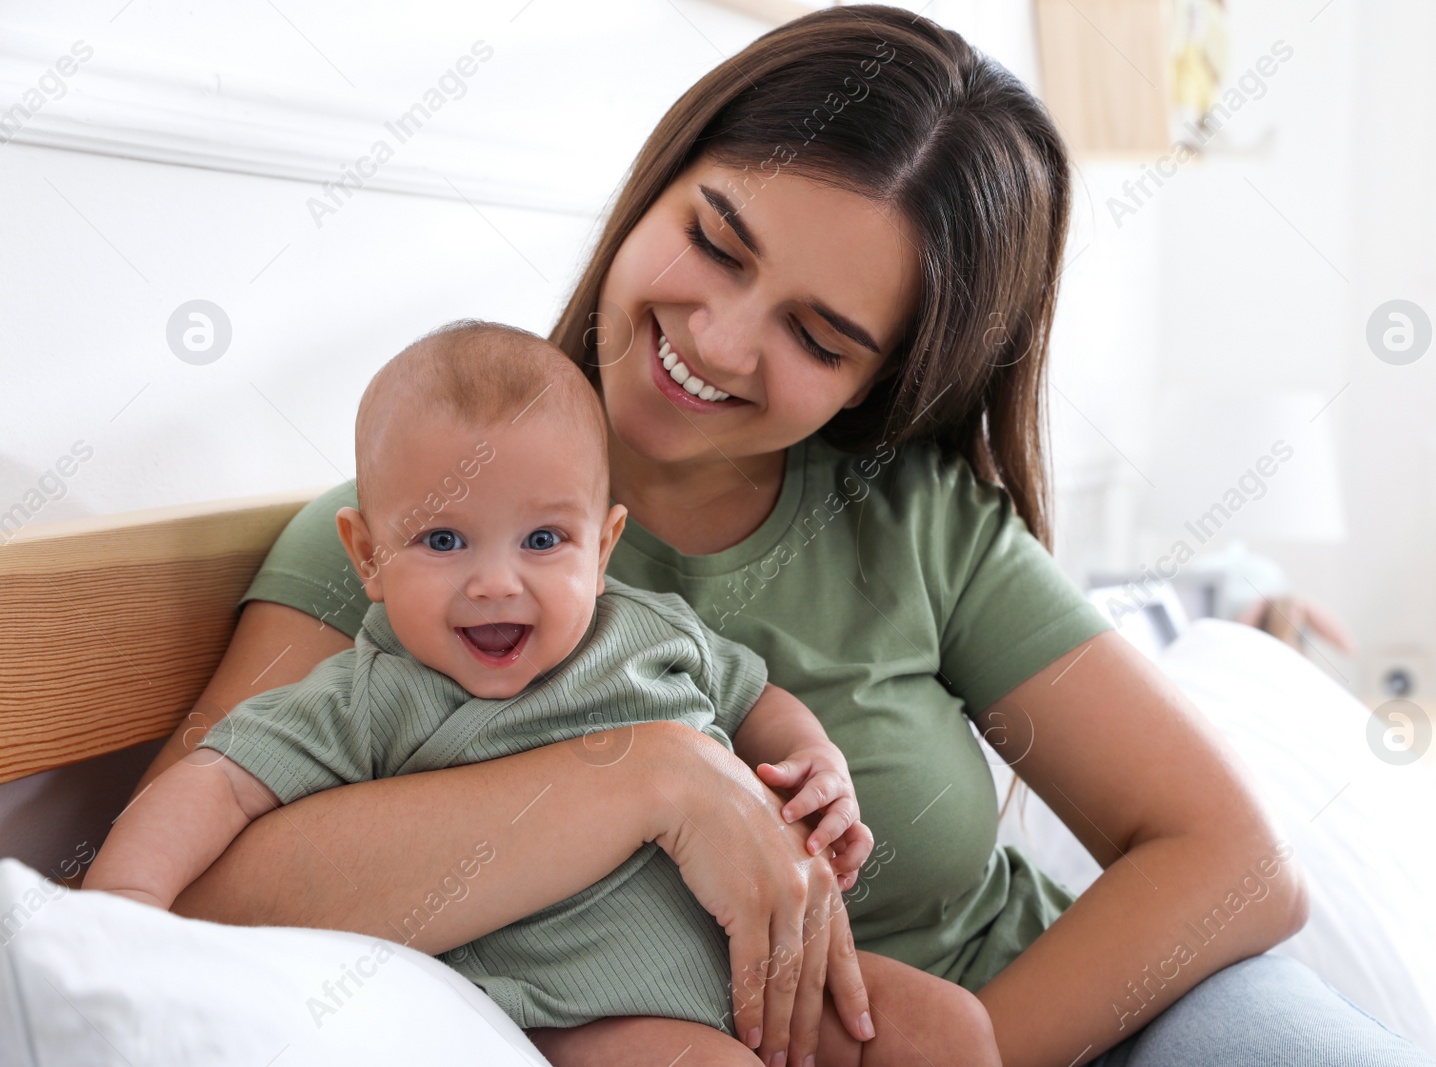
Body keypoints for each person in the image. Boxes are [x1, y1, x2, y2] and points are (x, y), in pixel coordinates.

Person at [136, 6, 1436, 1066]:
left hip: (1075, 1023)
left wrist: (979, 1043)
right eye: (715, 241)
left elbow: (1231, 864)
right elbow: (195, 902)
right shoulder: (411, 540)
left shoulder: (924, 523)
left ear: (883, 380)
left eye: (820, 337)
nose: (717, 339)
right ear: (661, 181)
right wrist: (640, 775)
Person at [87, 322, 1001, 1066]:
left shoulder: (653, 633)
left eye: (543, 541)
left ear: (603, 548)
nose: (495, 583)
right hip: (577, 1013)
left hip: (761, 970)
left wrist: (818, 760)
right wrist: (121, 907)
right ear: (365, 555)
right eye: (444, 541)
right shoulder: (369, 697)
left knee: (950, 1028)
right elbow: (217, 781)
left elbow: (760, 696)